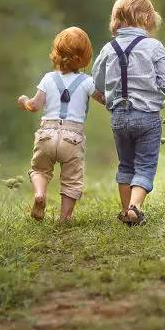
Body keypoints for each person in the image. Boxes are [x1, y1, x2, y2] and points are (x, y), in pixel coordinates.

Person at [91, 0, 165, 225]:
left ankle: (126, 212)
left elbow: (97, 83)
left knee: (126, 165)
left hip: (119, 117)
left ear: (116, 20)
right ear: (147, 19)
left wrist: (104, 96)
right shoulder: (153, 47)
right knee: (145, 164)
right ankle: (135, 206)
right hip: (147, 118)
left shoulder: (108, 49)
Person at [18, 26, 104, 222]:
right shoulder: (87, 81)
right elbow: (104, 99)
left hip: (46, 134)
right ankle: (64, 217)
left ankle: (40, 194)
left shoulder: (48, 79)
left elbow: (34, 105)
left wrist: (23, 101)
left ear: (56, 53)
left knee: (40, 170)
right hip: (72, 138)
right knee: (72, 180)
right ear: (85, 57)